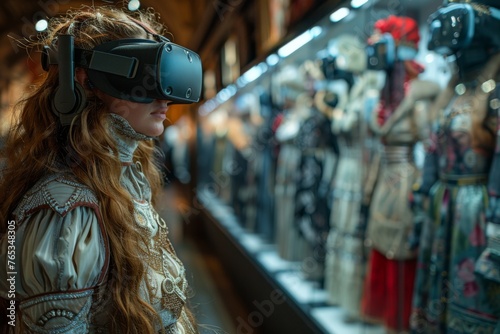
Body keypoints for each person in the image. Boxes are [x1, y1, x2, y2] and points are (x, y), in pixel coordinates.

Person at [0, 5, 201, 333]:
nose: (165, 97)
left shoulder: (125, 179)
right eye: (147, 78)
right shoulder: (63, 211)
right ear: (85, 78)